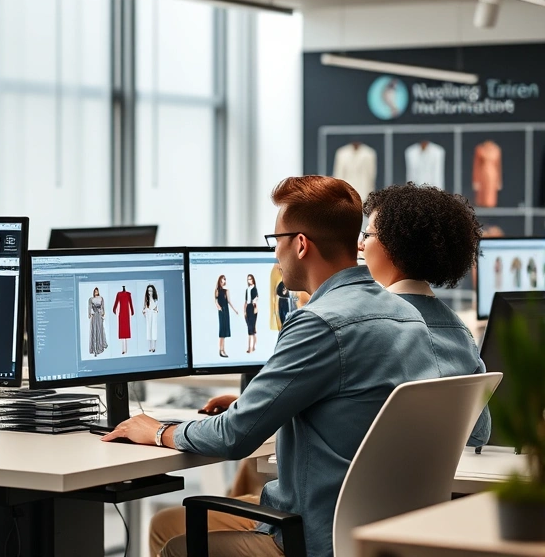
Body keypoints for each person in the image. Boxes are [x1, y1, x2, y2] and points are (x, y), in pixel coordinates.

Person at [105, 176, 448, 557]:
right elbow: (354, 402)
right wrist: (253, 403)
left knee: (176, 546)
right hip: (378, 530)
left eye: (276, 241)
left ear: (300, 244)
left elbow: (234, 437)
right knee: (169, 524)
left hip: (317, 533)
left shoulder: (319, 322)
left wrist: (158, 430)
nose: (275, 255)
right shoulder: (407, 314)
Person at [359, 182, 491, 445]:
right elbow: (479, 434)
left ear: (394, 245)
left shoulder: (364, 325)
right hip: (433, 484)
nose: (360, 245)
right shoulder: (460, 333)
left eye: (367, 235)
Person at [214, 275, 237, 358]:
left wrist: (235, 310)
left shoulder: (226, 290)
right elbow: (216, 301)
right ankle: (221, 350)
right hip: (221, 311)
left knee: (224, 331)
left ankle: (223, 350)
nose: (223, 281)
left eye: (224, 280)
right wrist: (219, 308)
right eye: (222, 280)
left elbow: (229, 301)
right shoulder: (217, 290)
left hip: (226, 311)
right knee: (222, 332)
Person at [243, 274, 259, 353]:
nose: (250, 280)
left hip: (253, 308)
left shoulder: (254, 289)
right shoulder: (247, 289)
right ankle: (254, 346)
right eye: (248, 279)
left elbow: (256, 298)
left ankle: (250, 347)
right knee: (251, 329)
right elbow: (245, 301)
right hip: (248, 308)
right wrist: (244, 311)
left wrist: (255, 308)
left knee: (251, 329)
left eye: (251, 279)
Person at [143, 284, 160, 353]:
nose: (150, 292)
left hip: (153, 314)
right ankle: (150, 347)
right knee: (149, 329)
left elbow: (155, 307)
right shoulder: (146, 299)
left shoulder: (155, 299)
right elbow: (144, 307)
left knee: (154, 329)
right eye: (149, 291)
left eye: (151, 291)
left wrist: (153, 310)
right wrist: (144, 312)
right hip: (148, 314)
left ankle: (154, 347)